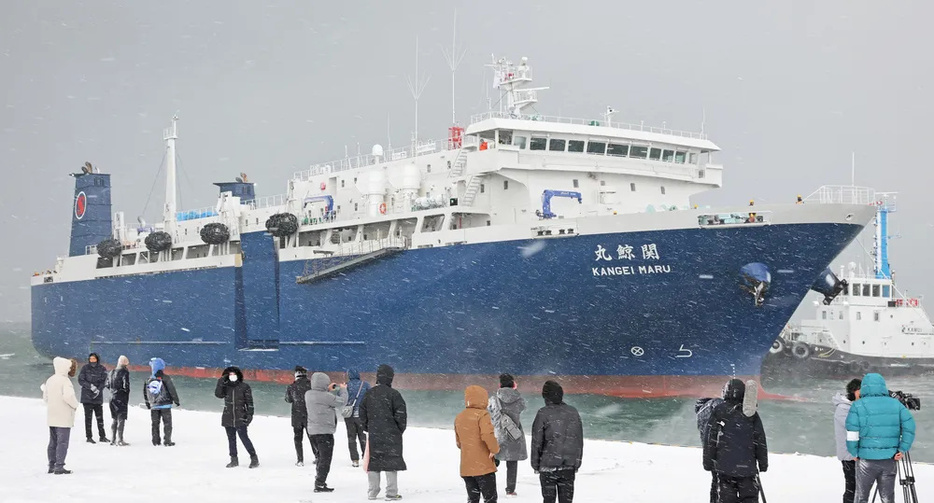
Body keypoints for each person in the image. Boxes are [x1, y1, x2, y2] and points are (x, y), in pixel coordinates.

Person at [846, 373, 916, 503]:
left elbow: (852, 432)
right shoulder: (896, 405)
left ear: (864, 387)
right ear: (883, 386)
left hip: (865, 460)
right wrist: (902, 448)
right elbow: (909, 427)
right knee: (887, 497)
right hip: (889, 459)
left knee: (861, 497)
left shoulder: (857, 406)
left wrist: (853, 451)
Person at [703, 379, 768, 503]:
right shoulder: (751, 414)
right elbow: (760, 440)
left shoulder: (719, 410)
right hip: (748, 469)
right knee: (749, 499)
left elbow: (710, 439)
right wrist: (763, 463)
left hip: (725, 469)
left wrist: (708, 462)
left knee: (727, 499)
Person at [359, 364, 407, 501]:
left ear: (377, 377)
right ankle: (391, 494)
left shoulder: (369, 394)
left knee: (374, 462)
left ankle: (372, 493)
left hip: (375, 433)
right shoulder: (394, 394)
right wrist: (397, 430)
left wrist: (368, 427)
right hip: (392, 434)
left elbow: (362, 413)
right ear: (390, 378)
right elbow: (401, 416)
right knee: (391, 463)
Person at [531, 380, 583, 503]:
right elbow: (578, 440)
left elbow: (537, 442)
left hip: (547, 466)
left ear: (545, 396)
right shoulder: (573, 411)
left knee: (548, 499)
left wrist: (535, 464)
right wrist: (577, 462)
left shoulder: (543, 413)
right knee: (566, 500)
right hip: (568, 466)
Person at [304, 372, 348, 492]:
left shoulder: (308, 394)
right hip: (325, 432)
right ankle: (320, 484)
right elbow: (342, 401)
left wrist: (327, 390)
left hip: (312, 432)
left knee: (319, 457)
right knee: (325, 459)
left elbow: (321, 398)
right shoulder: (327, 397)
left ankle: (319, 479)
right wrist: (343, 390)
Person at [457, 385, 501, 503]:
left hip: (466, 467)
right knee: (490, 498)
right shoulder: (482, 415)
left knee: (473, 499)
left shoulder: (459, 417)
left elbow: (459, 443)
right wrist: (495, 449)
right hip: (483, 467)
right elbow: (487, 435)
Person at [488, 373, 527, 497]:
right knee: (512, 464)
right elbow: (522, 408)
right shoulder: (519, 400)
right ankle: (510, 490)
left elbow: (489, 411)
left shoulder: (493, 399)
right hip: (513, 434)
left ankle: (489, 487)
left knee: (491, 461)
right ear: (513, 385)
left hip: (498, 435)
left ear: (499, 385)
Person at [41, 357, 80, 474]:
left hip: (52, 415)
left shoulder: (50, 380)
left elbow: (45, 398)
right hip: (63, 416)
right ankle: (59, 466)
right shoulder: (65, 381)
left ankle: (51, 465)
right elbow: (68, 397)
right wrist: (75, 405)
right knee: (62, 442)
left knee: (53, 442)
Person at [215, 366, 258, 468]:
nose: (232, 376)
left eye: (234, 374)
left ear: (238, 375)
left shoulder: (245, 387)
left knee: (244, 437)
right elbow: (218, 394)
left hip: (241, 416)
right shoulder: (225, 387)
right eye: (230, 375)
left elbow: (250, 403)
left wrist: (249, 415)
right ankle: (234, 459)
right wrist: (221, 381)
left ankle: (254, 458)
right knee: (231, 439)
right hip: (228, 416)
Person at [834, 378, 861, 503]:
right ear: (854, 391)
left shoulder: (855, 406)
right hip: (849, 456)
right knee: (852, 488)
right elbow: (852, 427)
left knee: (859, 489)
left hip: (858, 454)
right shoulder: (843, 408)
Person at [695, 394, 724, 503]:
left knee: (717, 481)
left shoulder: (701, 415)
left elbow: (706, 439)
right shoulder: (714, 404)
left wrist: (708, 461)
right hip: (725, 451)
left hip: (713, 453)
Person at [144, 357, 179, 446]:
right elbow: (172, 390)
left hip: (154, 405)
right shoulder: (166, 378)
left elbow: (145, 393)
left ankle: (155, 441)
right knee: (167, 424)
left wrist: (148, 403)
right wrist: (176, 400)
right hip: (165, 405)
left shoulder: (148, 379)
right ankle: (167, 441)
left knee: (155, 424)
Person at [285, 365, 315, 466]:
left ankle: (300, 460)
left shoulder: (292, 386)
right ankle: (317, 456)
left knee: (298, 439)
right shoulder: (311, 385)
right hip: (309, 415)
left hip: (297, 416)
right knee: (312, 437)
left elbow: (288, 400)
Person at [77, 352, 109, 443]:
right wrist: (90, 386)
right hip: (87, 397)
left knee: (100, 418)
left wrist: (98, 389)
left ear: (97, 359)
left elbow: (104, 381)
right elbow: (81, 380)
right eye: (91, 359)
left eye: (94, 359)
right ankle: (89, 437)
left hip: (97, 397)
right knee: (88, 418)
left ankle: (102, 436)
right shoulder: (85, 368)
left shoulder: (102, 369)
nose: (92, 360)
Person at [344, 368, 371, 468]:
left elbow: (341, 398)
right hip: (361, 415)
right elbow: (371, 397)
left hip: (349, 416)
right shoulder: (365, 384)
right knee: (363, 437)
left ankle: (355, 460)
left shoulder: (346, 385)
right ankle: (366, 457)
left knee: (351, 438)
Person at [106, 355, 131, 446]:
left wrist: (113, 391)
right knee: (121, 418)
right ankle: (120, 439)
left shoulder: (111, 372)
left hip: (112, 397)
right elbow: (126, 386)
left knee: (114, 418)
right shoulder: (124, 372)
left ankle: (112, 439)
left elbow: (107, 384)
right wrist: (125, 394)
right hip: (121, 398)